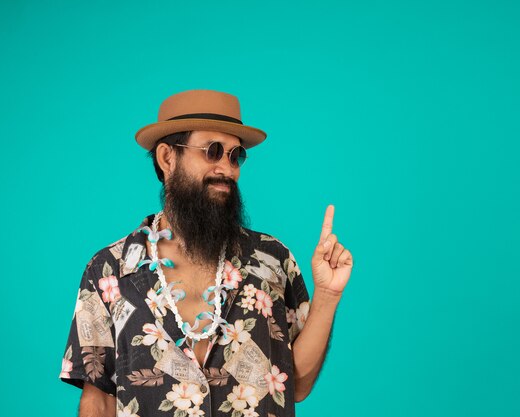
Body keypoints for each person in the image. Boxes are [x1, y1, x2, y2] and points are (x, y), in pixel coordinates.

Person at [59, 89, 354, 417]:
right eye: (213, 151)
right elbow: (98, 400)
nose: (227, 170)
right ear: (167, 158)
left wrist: (327, 295)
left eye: (234, 156)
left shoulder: (272, 260)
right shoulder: (108, 271)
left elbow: (297, 384)